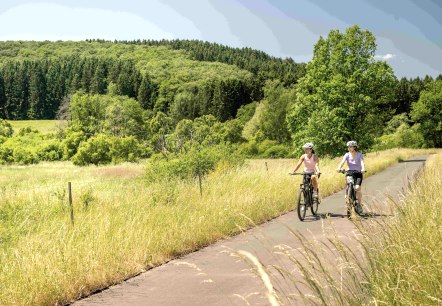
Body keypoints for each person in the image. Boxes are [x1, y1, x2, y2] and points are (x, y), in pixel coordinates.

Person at [336, 140, 366, 212]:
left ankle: (359, 204)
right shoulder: (347, 155)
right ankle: (348, 193)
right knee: (349, 183)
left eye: (350, 147)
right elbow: (342, 162)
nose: (349, 148)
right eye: (348, 147)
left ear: (354, 147)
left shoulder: (359, 155)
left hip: (358, 173)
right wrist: (339, 168)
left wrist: (363, 169)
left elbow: (362, 163)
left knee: (357, 188)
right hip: (349, 172)